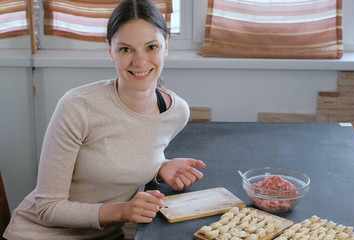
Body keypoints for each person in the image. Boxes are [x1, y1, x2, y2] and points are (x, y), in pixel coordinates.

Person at [3, 0, 206, 239]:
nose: (140, 62)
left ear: (166, 47)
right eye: (126, 49)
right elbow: (48, 208)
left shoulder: (176, 112)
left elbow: (128, 153)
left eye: (151, 47)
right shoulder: (78, 106)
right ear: (110, 50)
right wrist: (123, 211)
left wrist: (159, 168)